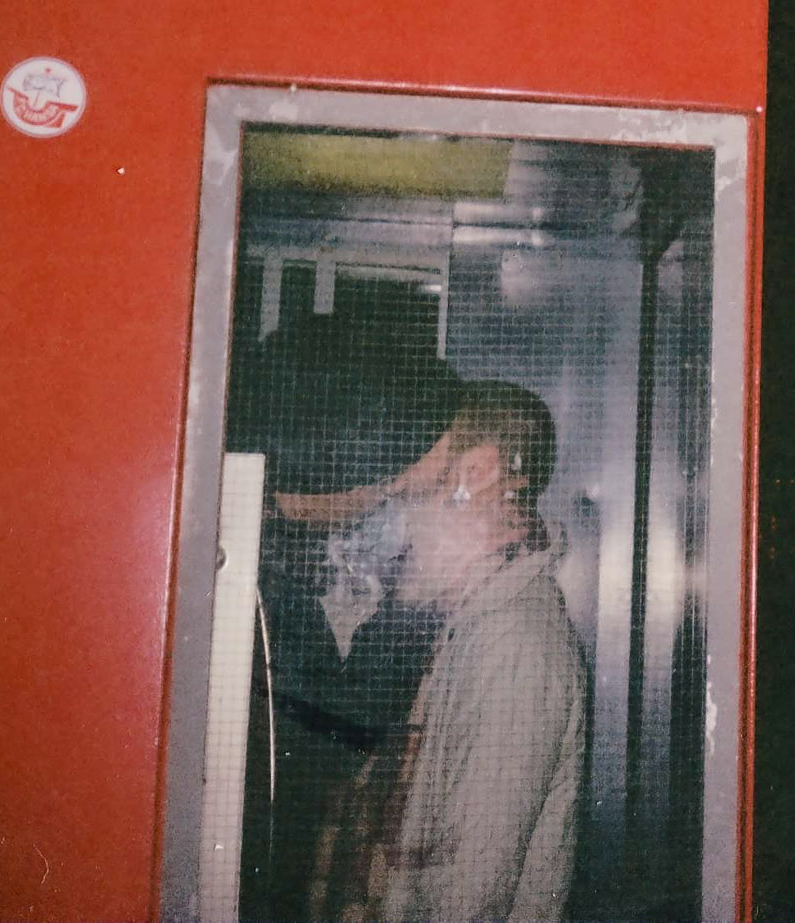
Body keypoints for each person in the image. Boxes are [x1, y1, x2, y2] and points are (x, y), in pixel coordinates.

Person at [227, 320, 465, 923]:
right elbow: (323, 752)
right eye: (385, 483)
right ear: (327, 456)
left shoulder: (271, 544)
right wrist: (416, 603)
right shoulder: (241, 575)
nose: (382, 500)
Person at [341, 381, 588, 923]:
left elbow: (466, 896)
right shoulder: (460, 612)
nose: (398, 486)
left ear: (475, 471)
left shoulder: (515, 645)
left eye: (416, 466)